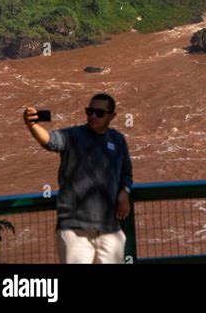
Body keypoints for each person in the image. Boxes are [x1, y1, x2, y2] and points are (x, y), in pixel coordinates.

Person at [23, 93, 133, 264]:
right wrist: (32, 125)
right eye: (89, 111)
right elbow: (50, 141)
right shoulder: (73, 136)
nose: (92, 116)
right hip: (74, 229)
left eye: (99, 113)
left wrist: (125, 191)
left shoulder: (118, 140)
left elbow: (126, 172)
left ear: (112, 116)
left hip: (109, 228)